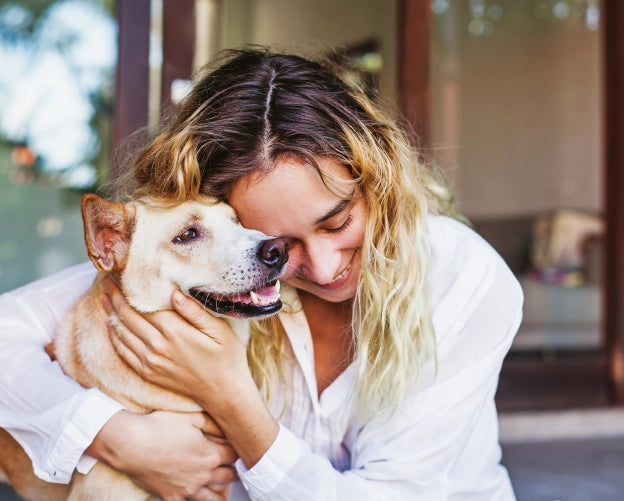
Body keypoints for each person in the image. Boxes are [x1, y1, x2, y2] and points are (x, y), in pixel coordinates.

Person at [0, 48, 523, 500]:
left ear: (378, 179)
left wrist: (229, 393)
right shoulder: (213, 267)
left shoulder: (463, 276)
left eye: (337, 222)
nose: (322, 268)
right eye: (277, 246)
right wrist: (116, 438)